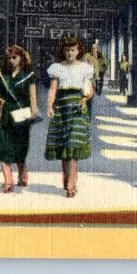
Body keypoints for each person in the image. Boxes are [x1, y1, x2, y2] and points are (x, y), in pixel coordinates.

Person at [44, 36, 94, 198]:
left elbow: (89, 90)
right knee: (64, 147)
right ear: (63, 51)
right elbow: (53, 89)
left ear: (79, 51)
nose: (70, 53)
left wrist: (85, 99)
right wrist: (50, 106)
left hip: (78, 108)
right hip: (62, 108)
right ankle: (68, 180)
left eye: (73, 50)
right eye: (67, 50)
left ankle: (71, 185)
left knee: (73, 146)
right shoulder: (57, 68)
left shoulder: (85, 69)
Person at [0, 45, 39, 193]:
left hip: (21, 112)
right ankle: (7, 182)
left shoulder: (29, 75)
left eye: (14, 57)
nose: (11, 61)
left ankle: (22, 173)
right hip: (4, 113)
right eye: (9, 58)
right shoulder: (1, 74)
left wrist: (34, 110)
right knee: (3, 146)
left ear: (21, 58)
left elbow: (32, 95)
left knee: (20, 146)